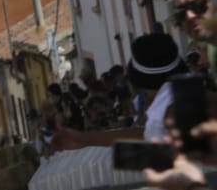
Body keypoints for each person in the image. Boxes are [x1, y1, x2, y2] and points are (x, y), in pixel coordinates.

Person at [54, 34, 183, 151]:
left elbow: (161, 148)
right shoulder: (174, 96)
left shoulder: (170, 106)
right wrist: (84, 139)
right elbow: (147, 134)